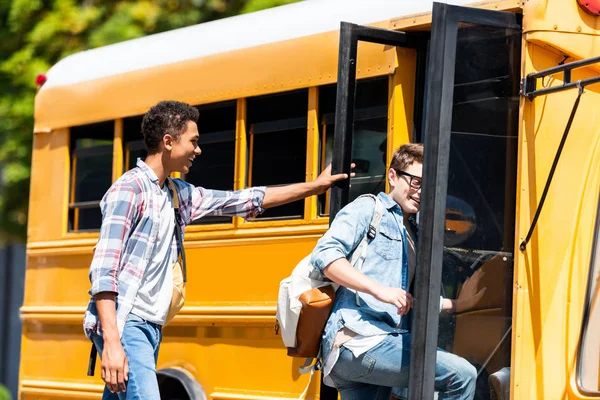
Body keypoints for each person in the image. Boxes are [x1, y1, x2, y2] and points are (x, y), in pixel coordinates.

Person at [83, 100, 353, 399]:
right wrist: (112, 341)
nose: (198, 150)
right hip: (126, 322)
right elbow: (104, 272)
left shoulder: (176, 193)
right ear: (168, 141)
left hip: (149, 325)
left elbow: (243, 199)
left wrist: (314, 187)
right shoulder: (129, 190)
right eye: (193, 141)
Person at [310, 143, 477, 399]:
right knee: (462, 375)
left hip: (374, 345)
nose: (421, 192)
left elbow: (411, 300)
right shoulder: (368, 208)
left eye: (429, 185)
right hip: (360, 338)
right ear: (392, 176)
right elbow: (325, 255)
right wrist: (379, 291)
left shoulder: (413, 231)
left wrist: (460, 304)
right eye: (416, 182)